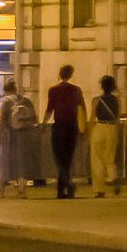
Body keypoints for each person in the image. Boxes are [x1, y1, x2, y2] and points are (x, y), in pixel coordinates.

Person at [43, 64, 87, 198]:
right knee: (68, 158)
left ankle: (65, 186)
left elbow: (50, 109)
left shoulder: (53, 90)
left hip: (59, 126)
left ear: (59, 74)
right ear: (71, 75)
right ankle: (65, 187)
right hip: (72, 126)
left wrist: (44, 124)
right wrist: (83, 128)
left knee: (59, 157)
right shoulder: (76, 90)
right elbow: (82, 108)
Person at [0, 80, 36, 198]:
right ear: (15, 90)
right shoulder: (27, 101)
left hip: (8, 136)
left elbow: (0, 119)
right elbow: (34, 118)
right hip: (25, 136)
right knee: (23, 163)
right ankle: (22, 191)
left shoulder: (5, 101)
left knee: (5, 162)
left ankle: (1, 190)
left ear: (5, 91)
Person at [89, 74, 123, 197]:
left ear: (102, 86)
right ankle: (113, 177)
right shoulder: (117, 101)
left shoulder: (96, 100)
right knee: (110, 158)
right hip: (112, 128)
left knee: (97, 160)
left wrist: (89, 133)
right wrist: (118, 133)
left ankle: (100, 190)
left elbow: (92, 119)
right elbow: (118, 118)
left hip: (100, 128)